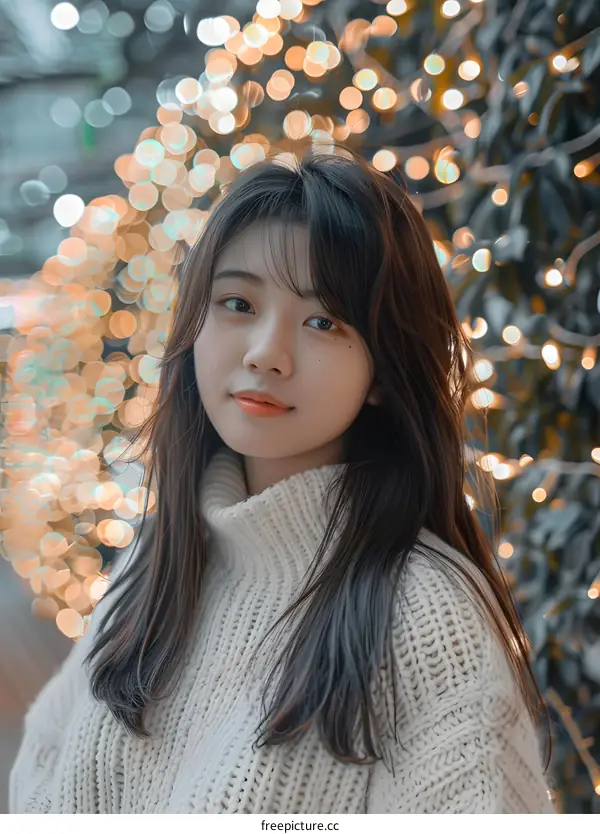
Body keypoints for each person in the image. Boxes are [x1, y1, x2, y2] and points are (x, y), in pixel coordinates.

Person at [10, 146, 556, 813]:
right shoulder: (157, 560)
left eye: (323, 322)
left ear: (384, 372)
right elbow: (41, 777)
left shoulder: (423, 614)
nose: (267, 353)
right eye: (238, 303)